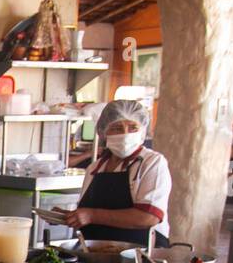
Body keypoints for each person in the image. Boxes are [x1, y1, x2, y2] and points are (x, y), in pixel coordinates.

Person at [65, 99, 172, 248]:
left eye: (133, 127)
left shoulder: (152, 162)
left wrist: (91, 215)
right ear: (103, 132)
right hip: (96, 255)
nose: (125, 134)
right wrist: (70, 217)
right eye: (116, 128)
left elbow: (148, 217)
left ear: (142, 131)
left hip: (140, 258)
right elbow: (88, 215)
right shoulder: (95, 168)